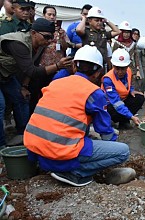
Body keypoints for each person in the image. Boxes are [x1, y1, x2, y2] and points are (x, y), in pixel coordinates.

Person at [24, 45, 135, 187]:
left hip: (37, 151)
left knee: (86, 133)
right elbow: (105, 131)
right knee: (123, 151)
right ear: (98, 73)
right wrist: (110, 145)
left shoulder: (55, 83)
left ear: (74, 67)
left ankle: (57, 166)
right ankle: (75, 173)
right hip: (59, 153)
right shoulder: (94, 92)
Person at [0, 18, 72, 148]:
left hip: (6, 75)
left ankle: (24, 133)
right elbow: (32, 71)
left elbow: (32, 65)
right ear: (33, 33)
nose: (49, 41)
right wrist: (57, 66)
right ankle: (1, 145)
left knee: (22, 99)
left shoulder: (39, 45)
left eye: (51, 37)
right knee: (1, 105)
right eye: (47, 37)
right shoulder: (19, 43)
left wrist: (24, 86)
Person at [101, 48, 144, 129]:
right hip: (110, 104)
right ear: (113, 66)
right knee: (113, 109)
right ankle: (113, 120)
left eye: (123, 68)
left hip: (122, 100)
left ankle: (123, 121)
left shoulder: (128, 71)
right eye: (117, 68)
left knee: (139, 98)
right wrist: (131, 116)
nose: (120, 71)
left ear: (127, 66)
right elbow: (116, 102)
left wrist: (131, 90)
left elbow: (129, 83)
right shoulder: (108, 79)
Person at [76, 6, 120, 74]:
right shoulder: (86, 32)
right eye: (96, 20)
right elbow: (79, 30)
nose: (99, 22)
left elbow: (118, 31)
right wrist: (84, 19)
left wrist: (107, 21)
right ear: (90, 21)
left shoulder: (104, 33)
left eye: (100, 20)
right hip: (89, 65)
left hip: (101, 66)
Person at [113, 21, 141, 91]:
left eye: (128, 32)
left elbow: (136, 57)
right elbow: (113, 58)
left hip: (132, 69)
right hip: (120, 69)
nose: (126, 34)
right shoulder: (117, 43)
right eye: (124, 32)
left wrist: (138, 70)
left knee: (132, 87)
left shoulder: (133, 44)